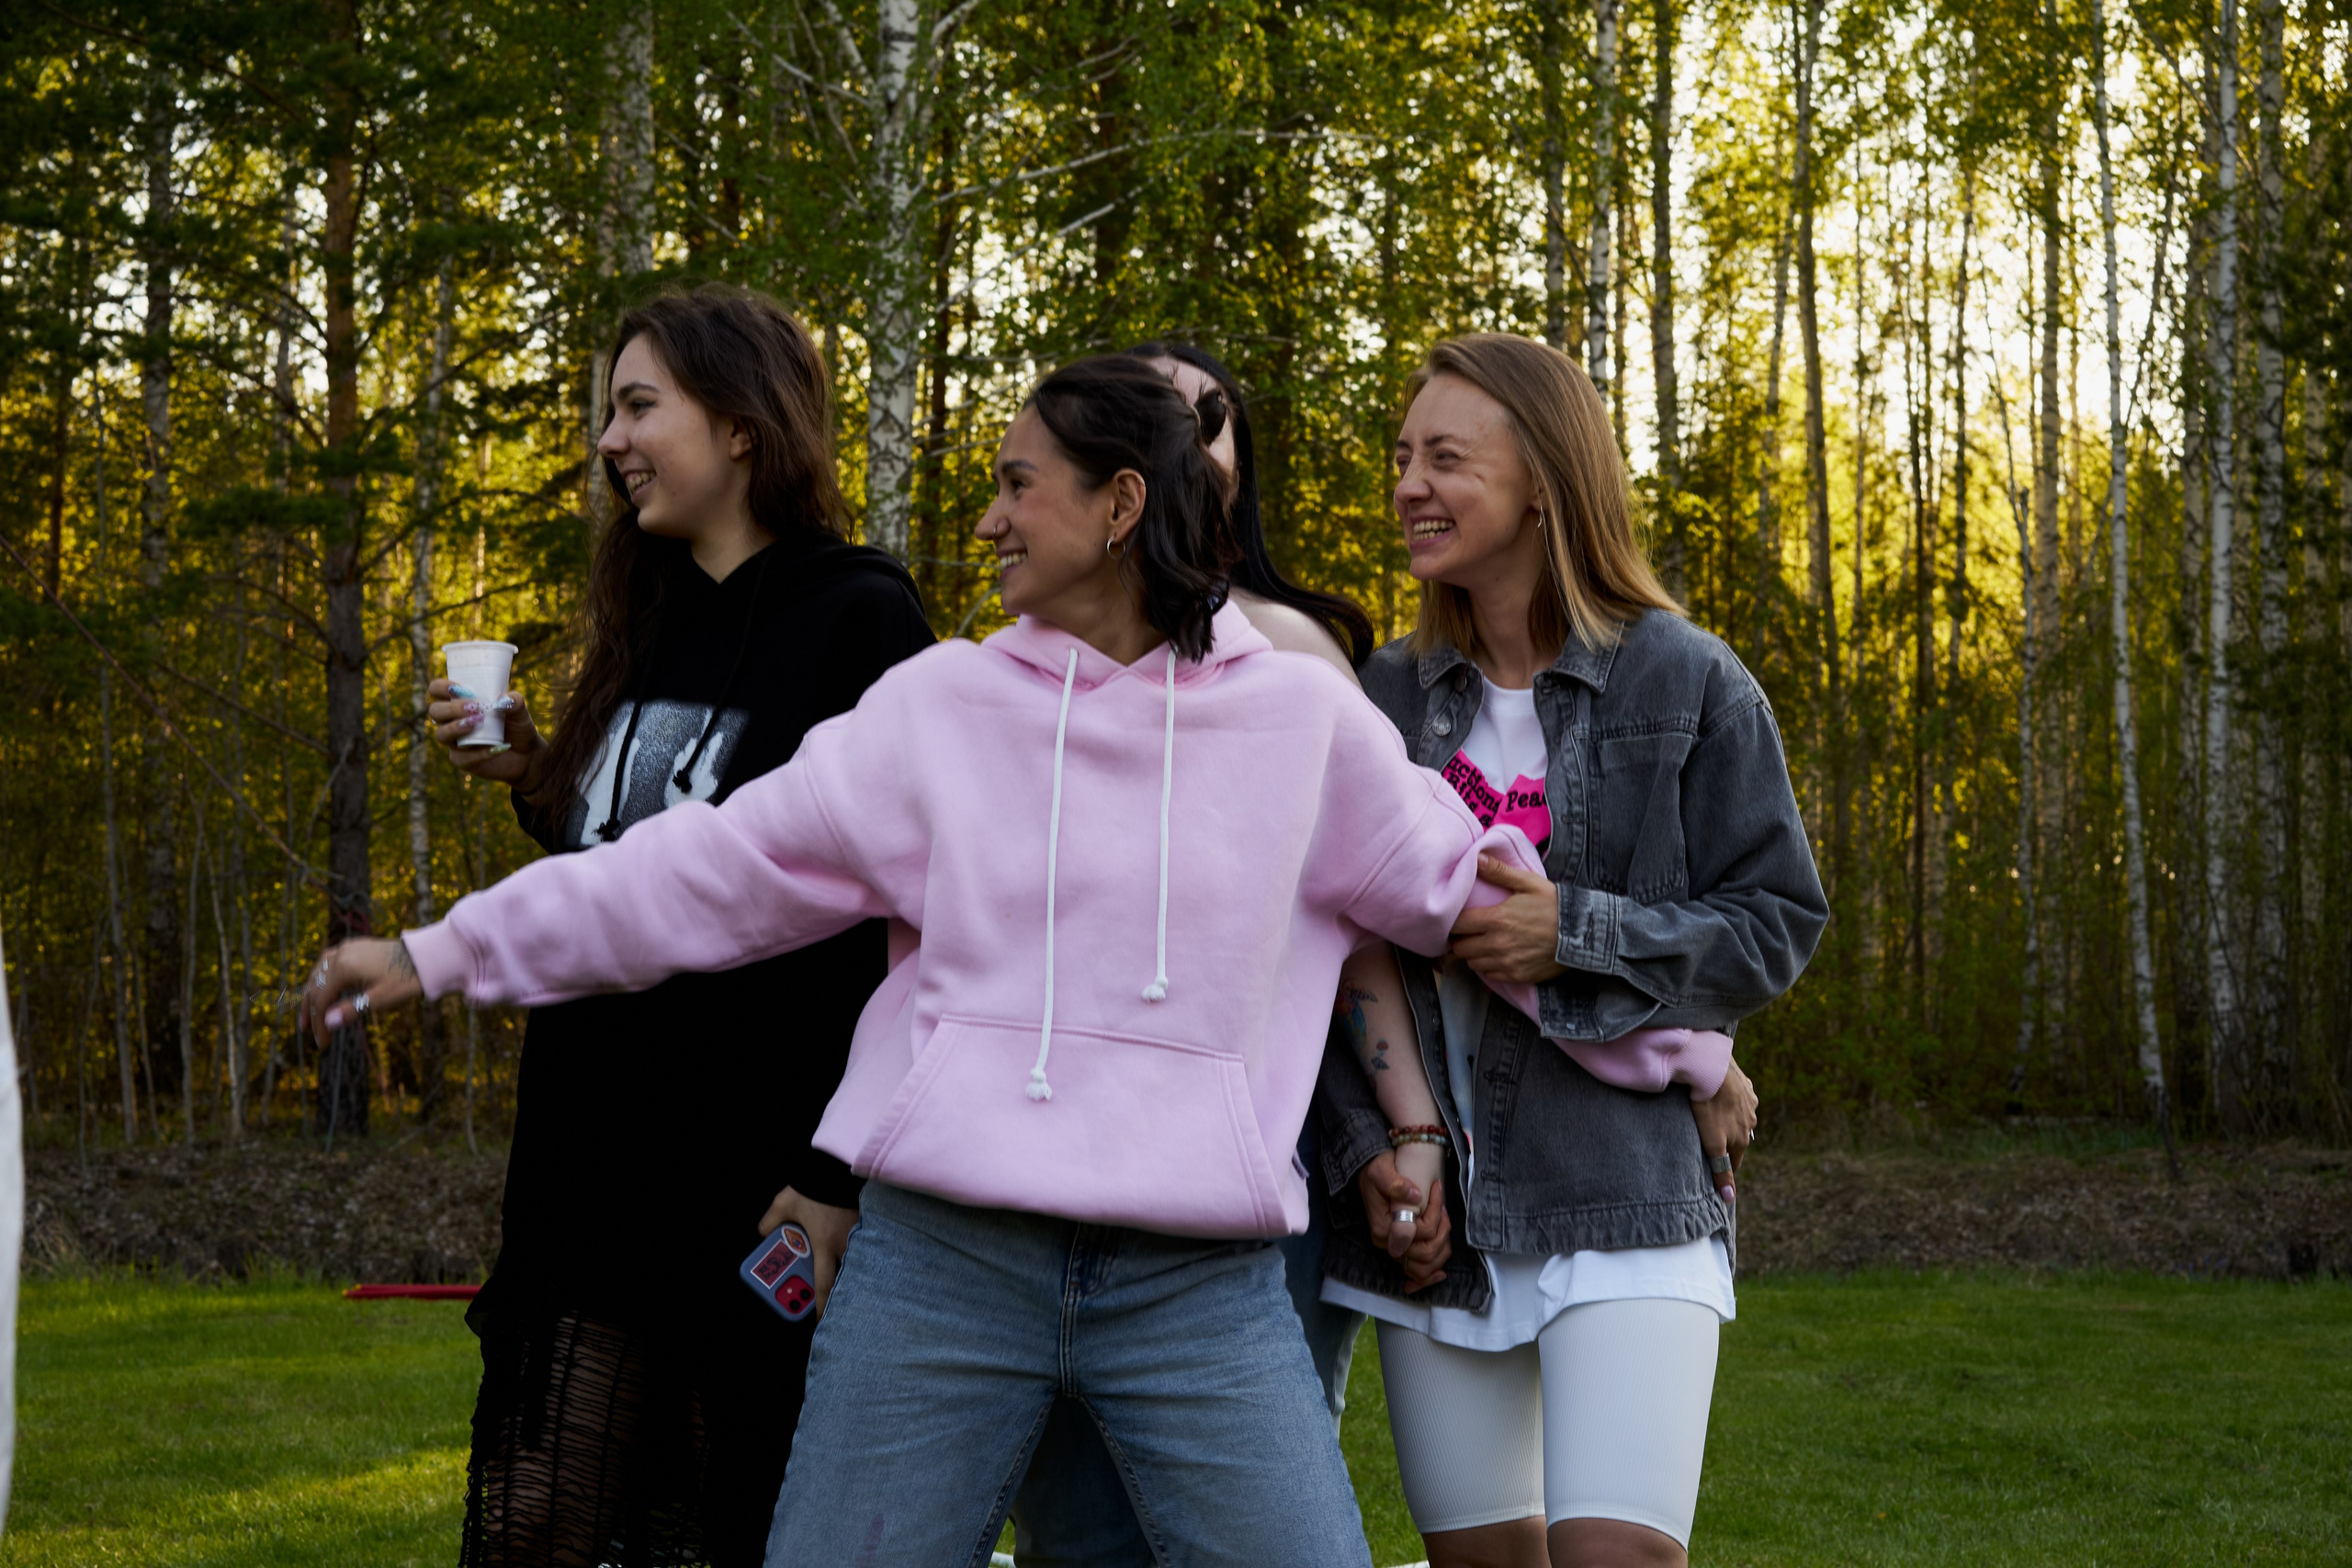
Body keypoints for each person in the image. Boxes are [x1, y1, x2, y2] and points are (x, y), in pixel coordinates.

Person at [304, 355, 1571, 1566]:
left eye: (1019, 485)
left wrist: (1659, 1036)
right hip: (944, 1270)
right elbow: (703, 871)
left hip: (1198, 1288)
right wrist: (450, 947)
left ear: (1120, 505)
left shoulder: (1301, 720)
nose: (986, 521)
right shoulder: (938, 711)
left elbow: (1485, 903)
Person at [420, 285, 933, 1567]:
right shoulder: (647, 614)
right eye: (612, 412)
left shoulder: (860, 615)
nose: (612, 441)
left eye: (640, 407)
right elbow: (639, 864)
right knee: (536, 1520)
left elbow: (911, 913)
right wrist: (541, 776)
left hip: (753, 1180)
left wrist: (836, 1173)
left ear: (742, 425)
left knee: (728, 1528)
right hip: (586, 1164)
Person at [1317, 333, 1826, 1568]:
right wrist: (1376, 1149)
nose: (1410, 486)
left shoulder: (1688, 681)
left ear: (1544, 480)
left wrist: (1575, 933)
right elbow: (1321, 947)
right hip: (1443, 1214)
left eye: (1447, 458)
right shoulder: (1381, 699)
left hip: (1628, 1193)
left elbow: (1776, 923)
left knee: (1617, 1556)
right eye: (1403, 458)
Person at [1001, 342, 1382, 1568]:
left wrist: (1409, 1129)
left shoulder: (1292, 656)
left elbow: (1387, 903)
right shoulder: (1035, 652)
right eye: (1156, 414)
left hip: (1258, 1157)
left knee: (1247, 1516)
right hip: (1067, 1154)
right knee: (1077, 1522)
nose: (1185, 437)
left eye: (1209, 417)